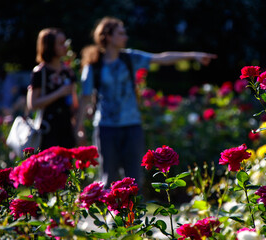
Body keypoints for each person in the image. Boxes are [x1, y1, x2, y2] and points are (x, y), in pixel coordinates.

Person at [77, 16, 217, 188]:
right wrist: (79, 127)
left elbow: (162, 58)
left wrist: (193, 55)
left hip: (132, 125)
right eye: (121, 33)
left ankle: (133, 214)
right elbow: (84, 98)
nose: (125, 36)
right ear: (108, 36)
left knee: (134, 177)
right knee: (108, 176)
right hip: (106, 127)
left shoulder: (130, 58)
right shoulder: (94, 66)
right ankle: (110, 214)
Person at [27, 28, 78, 150]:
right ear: (50, 46)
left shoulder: (68, 72)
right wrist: (59, 93)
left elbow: (74, 105)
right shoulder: (40, 72)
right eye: (60, 43)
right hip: (47, 130)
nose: (65, 46)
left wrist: (78, 128)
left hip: (66, 129)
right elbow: (32, 104)